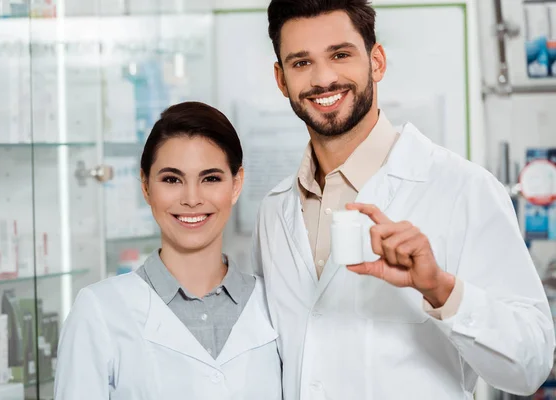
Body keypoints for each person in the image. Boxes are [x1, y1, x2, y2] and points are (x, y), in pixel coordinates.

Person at [251, 0, 556, 398]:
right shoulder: (275, 211)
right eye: (301, 62)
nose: (323, 78)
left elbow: (531, 364)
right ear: (281, 79)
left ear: (376, 62)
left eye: (340, 55)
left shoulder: (463, 190)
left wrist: (441, 290)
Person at [54, 102, 282, 400]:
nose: (191, 198)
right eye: (172, 179)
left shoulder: (274, 303)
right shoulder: (99, 311)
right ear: (146, 186)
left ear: (236, 184)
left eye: (210, 178)